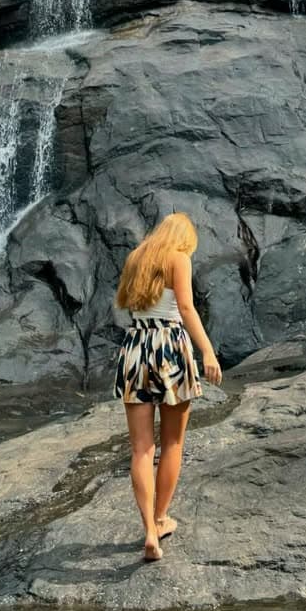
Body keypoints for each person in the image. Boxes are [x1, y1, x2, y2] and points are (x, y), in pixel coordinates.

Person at [113, 212, 222, 562]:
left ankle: (147, 530)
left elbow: (127, 304)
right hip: (170, 347)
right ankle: (160, 520)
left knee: (141, 449)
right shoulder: (179, 258)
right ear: (184, 237)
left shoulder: (135, 258)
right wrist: (207, 350)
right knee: (173, 442)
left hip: (136, 346)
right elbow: (186, 308)